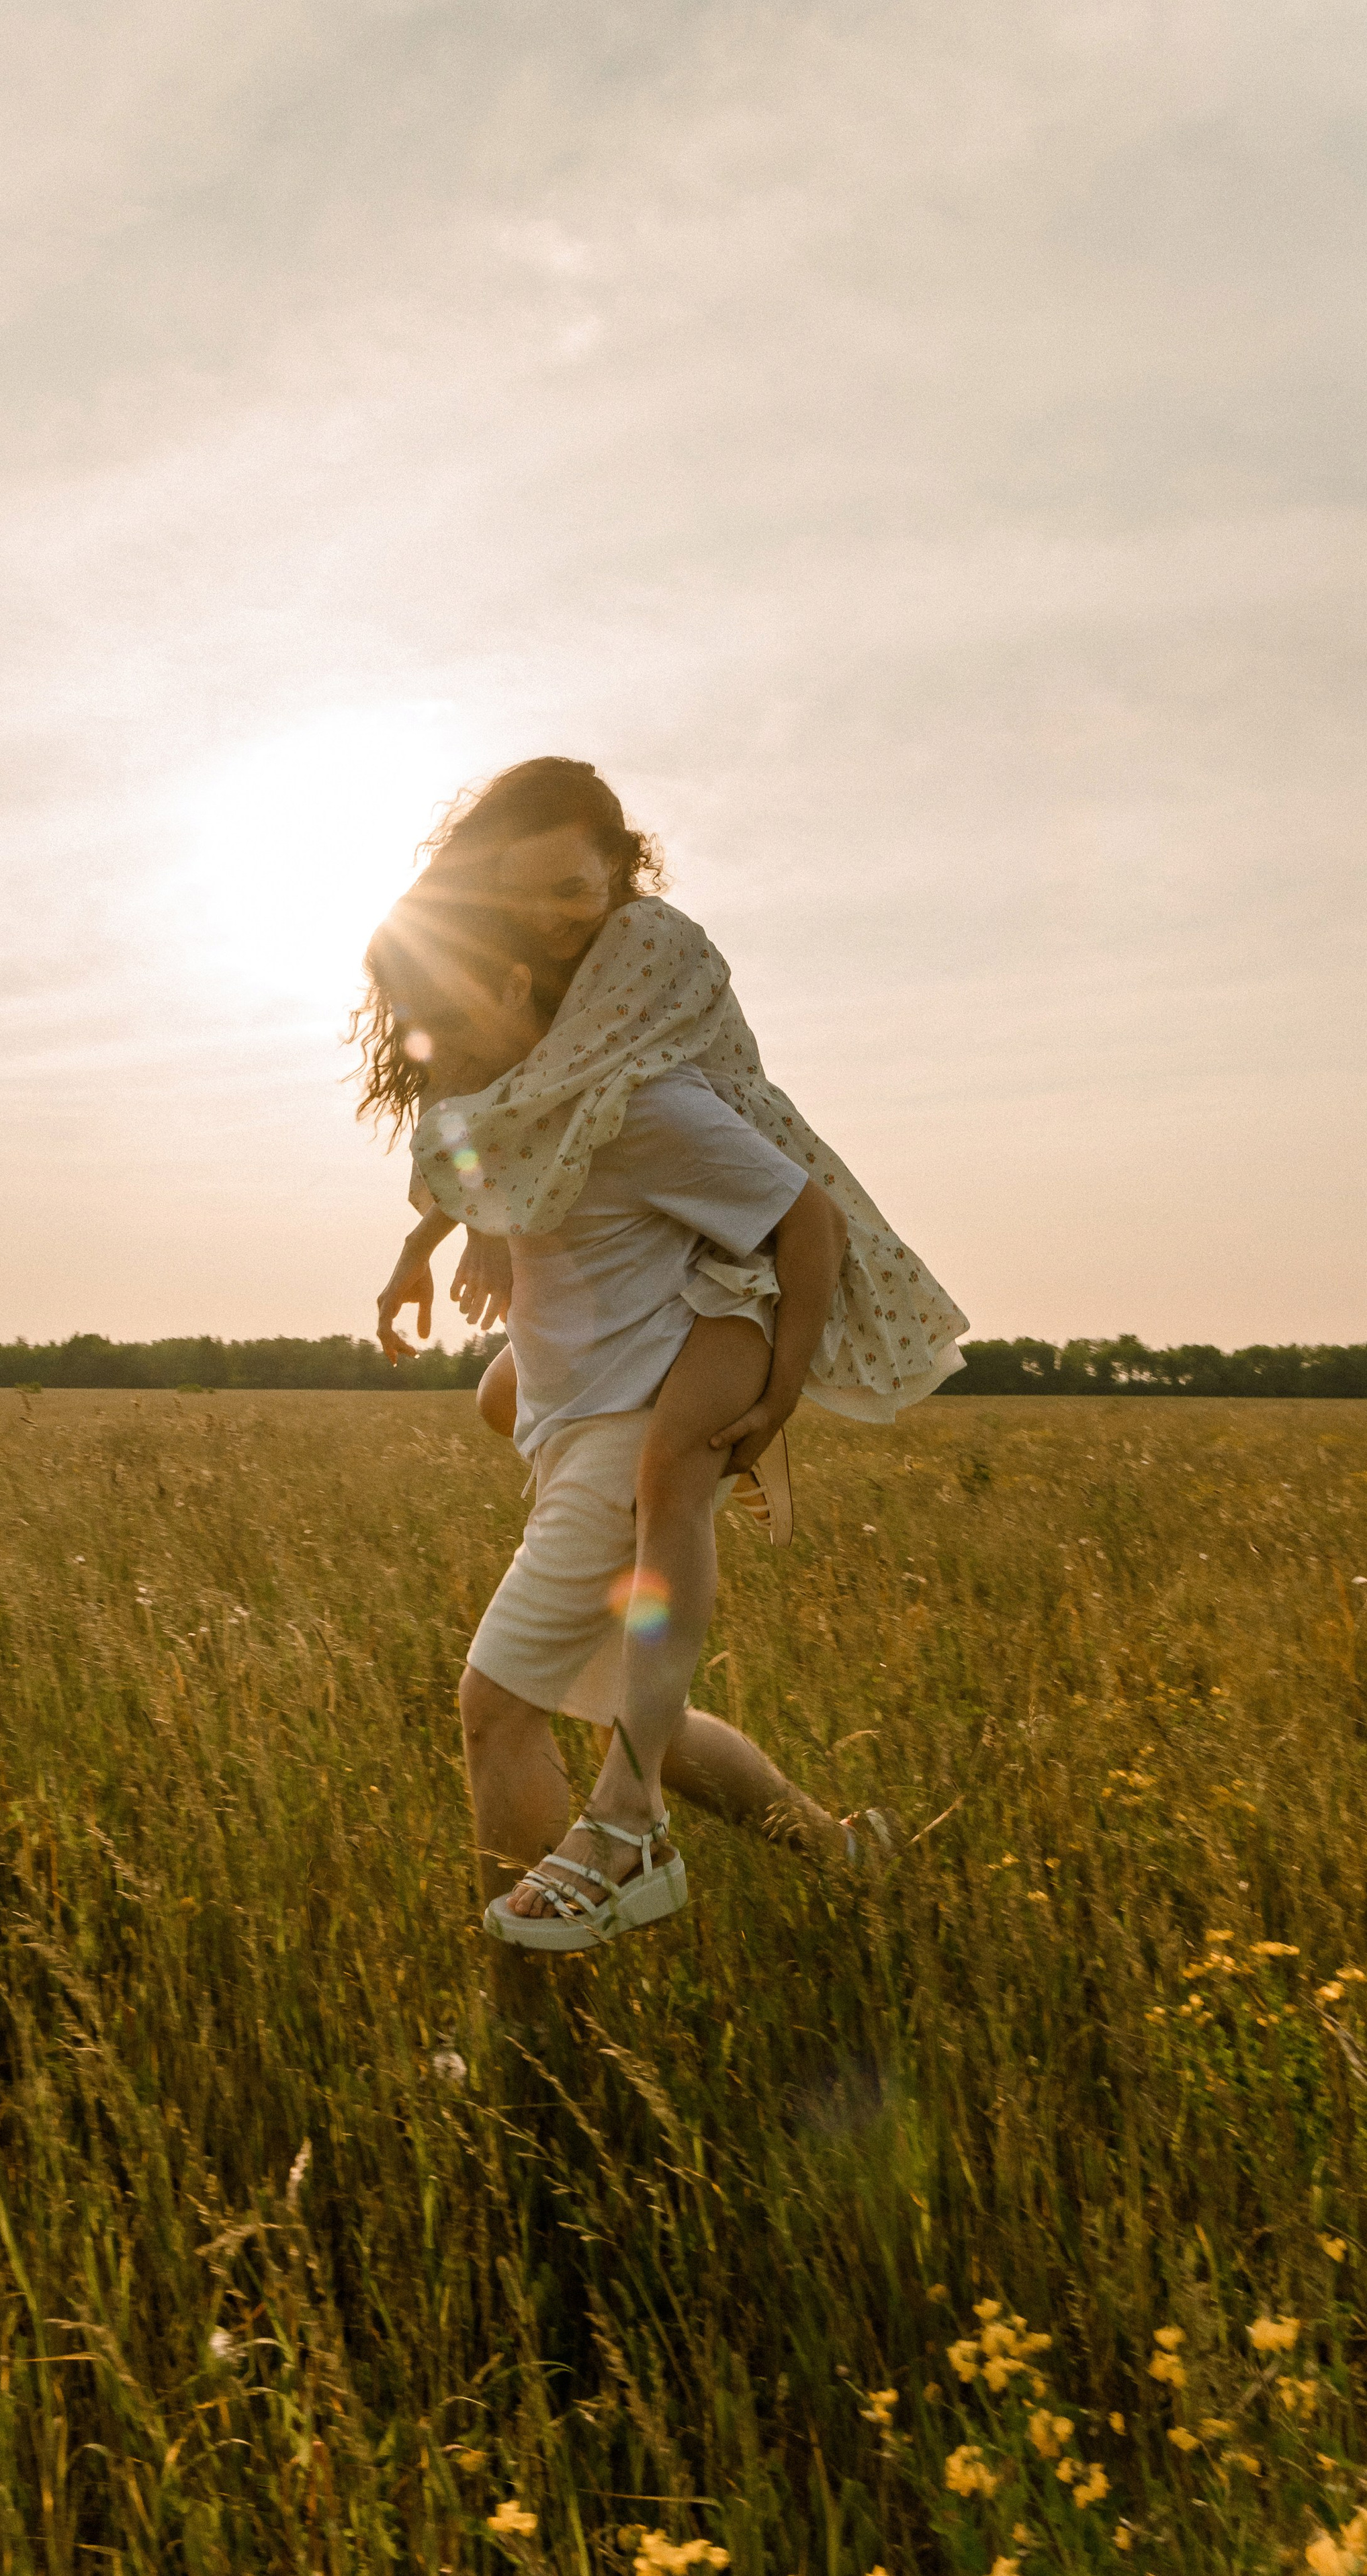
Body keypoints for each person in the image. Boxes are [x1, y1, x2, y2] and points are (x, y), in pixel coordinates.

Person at [359, 893, 889, 1951]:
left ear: (513, 988)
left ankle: (538, 2036)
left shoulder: (639, 1106)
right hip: (568, 1429)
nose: (428, 1057)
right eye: (411, 1035)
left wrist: (776, 1393)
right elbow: (471, 1178)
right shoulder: (500, 1108)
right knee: (649, 1722)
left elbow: (811, 1220)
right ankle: (846, 1856)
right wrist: (422, 1252)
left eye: (440, 1024)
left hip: (626, 1429)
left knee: (496, 1707)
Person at [359, 760, 969, 1558]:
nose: (547, 916)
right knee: (502, 1396)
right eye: (524, 895)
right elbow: (491, 1101)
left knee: (658, 1480)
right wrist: (444, 1233)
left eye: (570, 888)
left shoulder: (647, 940)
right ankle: (675, 1484)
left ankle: (706, 1458)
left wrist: (468, 1225)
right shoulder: (543, 958)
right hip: (643, 1196)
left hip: (721, 1217)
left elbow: (544, 1100)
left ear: (620, 862)